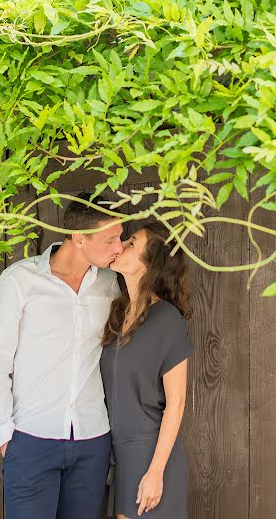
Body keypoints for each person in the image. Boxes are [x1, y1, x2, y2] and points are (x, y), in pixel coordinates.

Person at [0, 192, 124, 519]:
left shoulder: (110, 284)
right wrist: (4, 434)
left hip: (92, 440)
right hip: (30, 440)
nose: (119, 246)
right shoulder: (19, 280)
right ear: (79, 239)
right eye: (111, 239)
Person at [100, 222, 193, 519]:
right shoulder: (118, 315)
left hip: (152, 457)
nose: (121, 244)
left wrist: (155, 471)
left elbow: (176, 403)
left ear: (149, 264)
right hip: (118, 457)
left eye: (131, 243)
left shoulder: (166, 319)